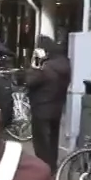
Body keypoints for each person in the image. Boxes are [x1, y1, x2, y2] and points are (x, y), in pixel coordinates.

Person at [23, 37, 71, 169]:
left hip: (41, 108)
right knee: (53, 139)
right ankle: (52, 165)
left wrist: (35, 63)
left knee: (42, 141)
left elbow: (30, 81)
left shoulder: (46, 68)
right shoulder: (65, 64)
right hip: (57, 107)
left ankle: (44, 167)